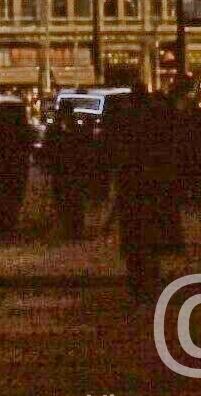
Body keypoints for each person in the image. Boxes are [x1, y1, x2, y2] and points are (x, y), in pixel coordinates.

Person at [109, 86, 183, 303]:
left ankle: (140, 282)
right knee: (149, 241)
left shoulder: (129, 125)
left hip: (135, 192)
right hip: (150, 192)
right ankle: (148, 281)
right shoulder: (155, 123)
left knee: (137, 241)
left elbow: (120, 157)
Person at [44, 105, 92, 241]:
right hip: (62, 170)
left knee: (73, 199)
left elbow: (83, 150)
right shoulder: (58, 130)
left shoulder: (74, 131)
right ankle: (68, 227)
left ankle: (74, 228)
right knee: (64, 199)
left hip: (71, 171)